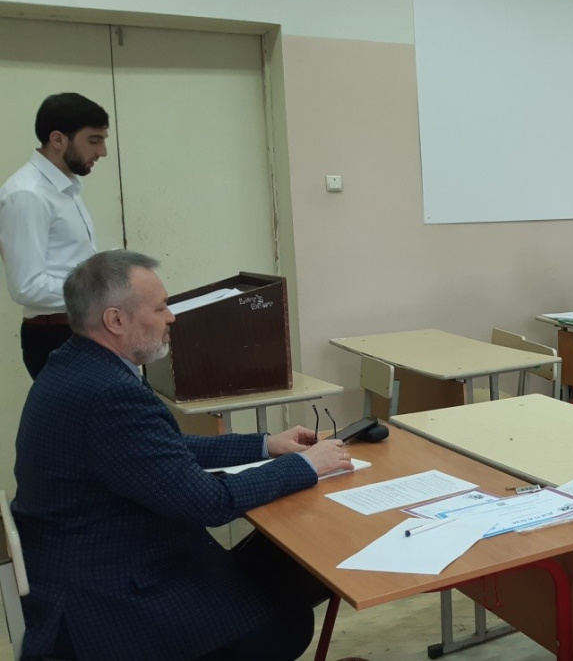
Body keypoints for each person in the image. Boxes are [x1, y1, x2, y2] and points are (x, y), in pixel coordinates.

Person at [12, 249, 353, 661]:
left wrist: (266, 444)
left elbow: (158, 450)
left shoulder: (75, 365)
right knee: (286, 622)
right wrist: (305, 465)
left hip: (87, 565)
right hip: (107, 600)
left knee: (280, 564)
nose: (171, 317)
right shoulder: (109, 394)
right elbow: (210, 503)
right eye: (160, 308)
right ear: (115, 321)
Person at [0, 93, 109, 379]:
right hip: (55, 336)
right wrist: (99, 293)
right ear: (58, 139)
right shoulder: (27, 194)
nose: (103, 151)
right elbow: (27, 286)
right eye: (94, 140)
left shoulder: (65, 186)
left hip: (80, 328)